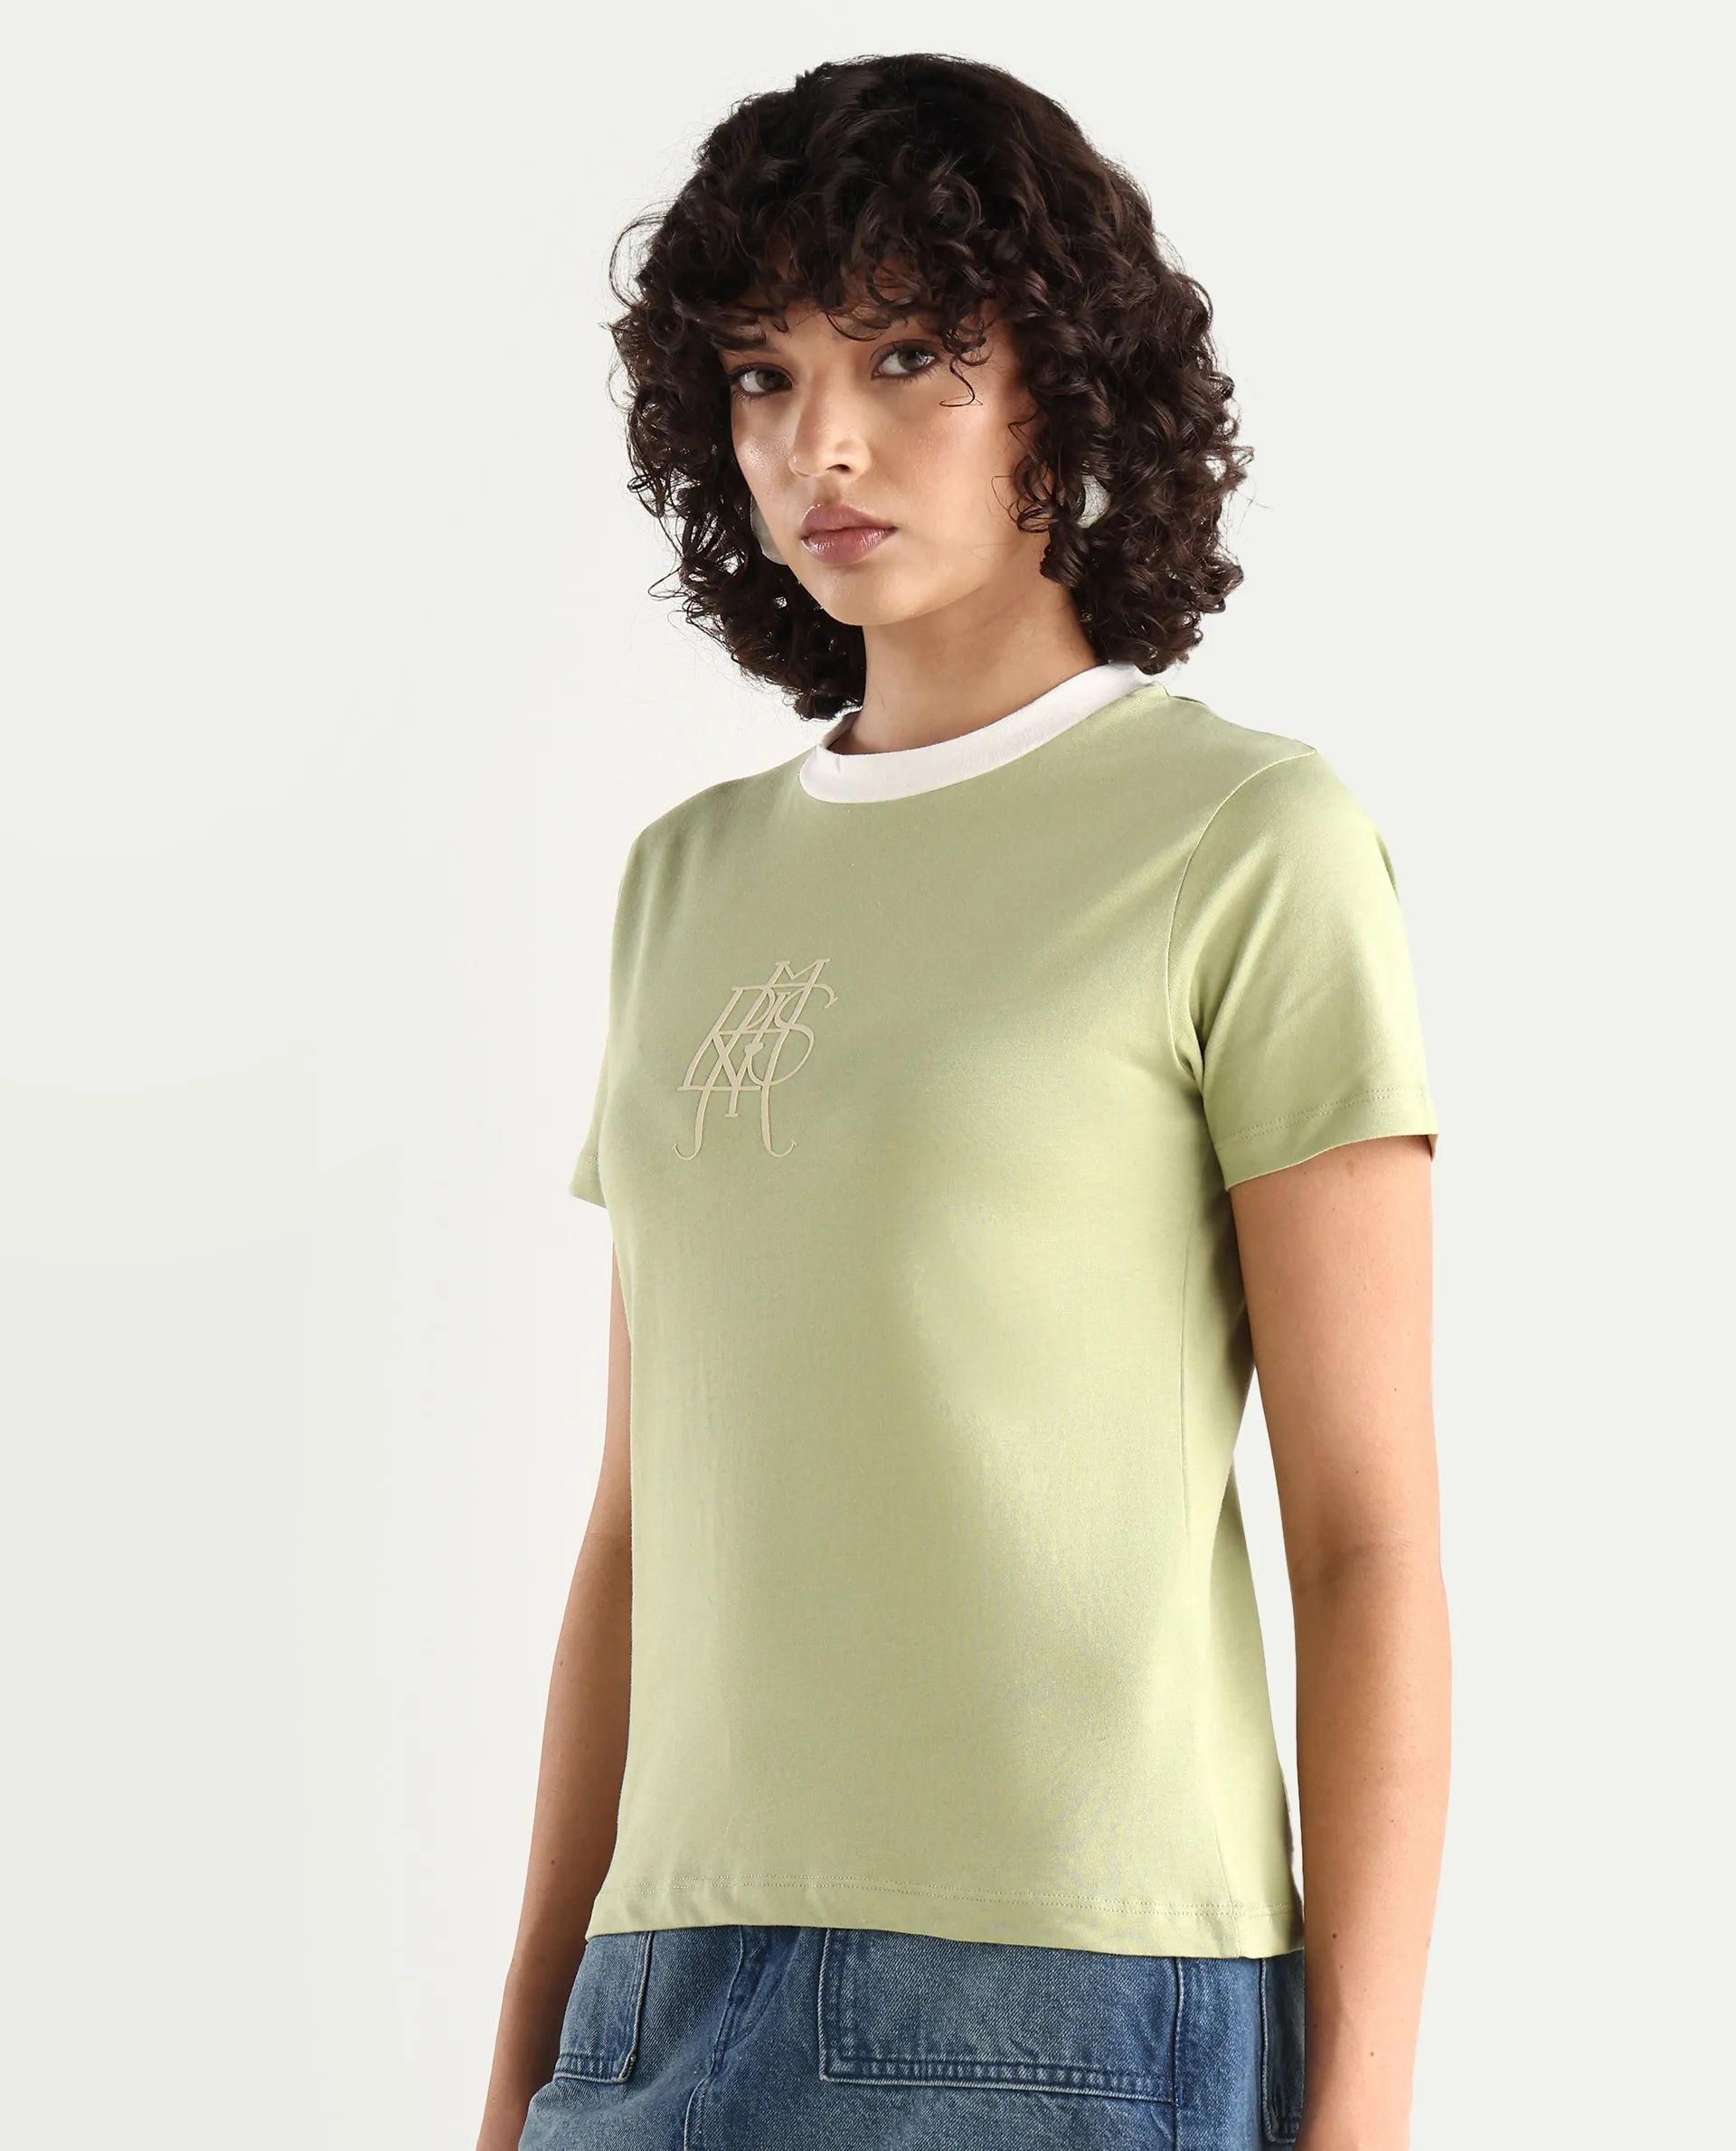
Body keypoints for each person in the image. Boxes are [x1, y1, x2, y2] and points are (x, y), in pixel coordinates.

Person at [477, 52, 1449, 2151]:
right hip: (656, 1991)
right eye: (764, 375)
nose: (820, 440)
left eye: (908, 354)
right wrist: (522, 2061)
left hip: (1060, 1989)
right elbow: (636, 1527)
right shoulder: (683, 882)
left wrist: (1361, 2113)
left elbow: (1366, 1530)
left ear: (1064, 390)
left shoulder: (1241, 840)